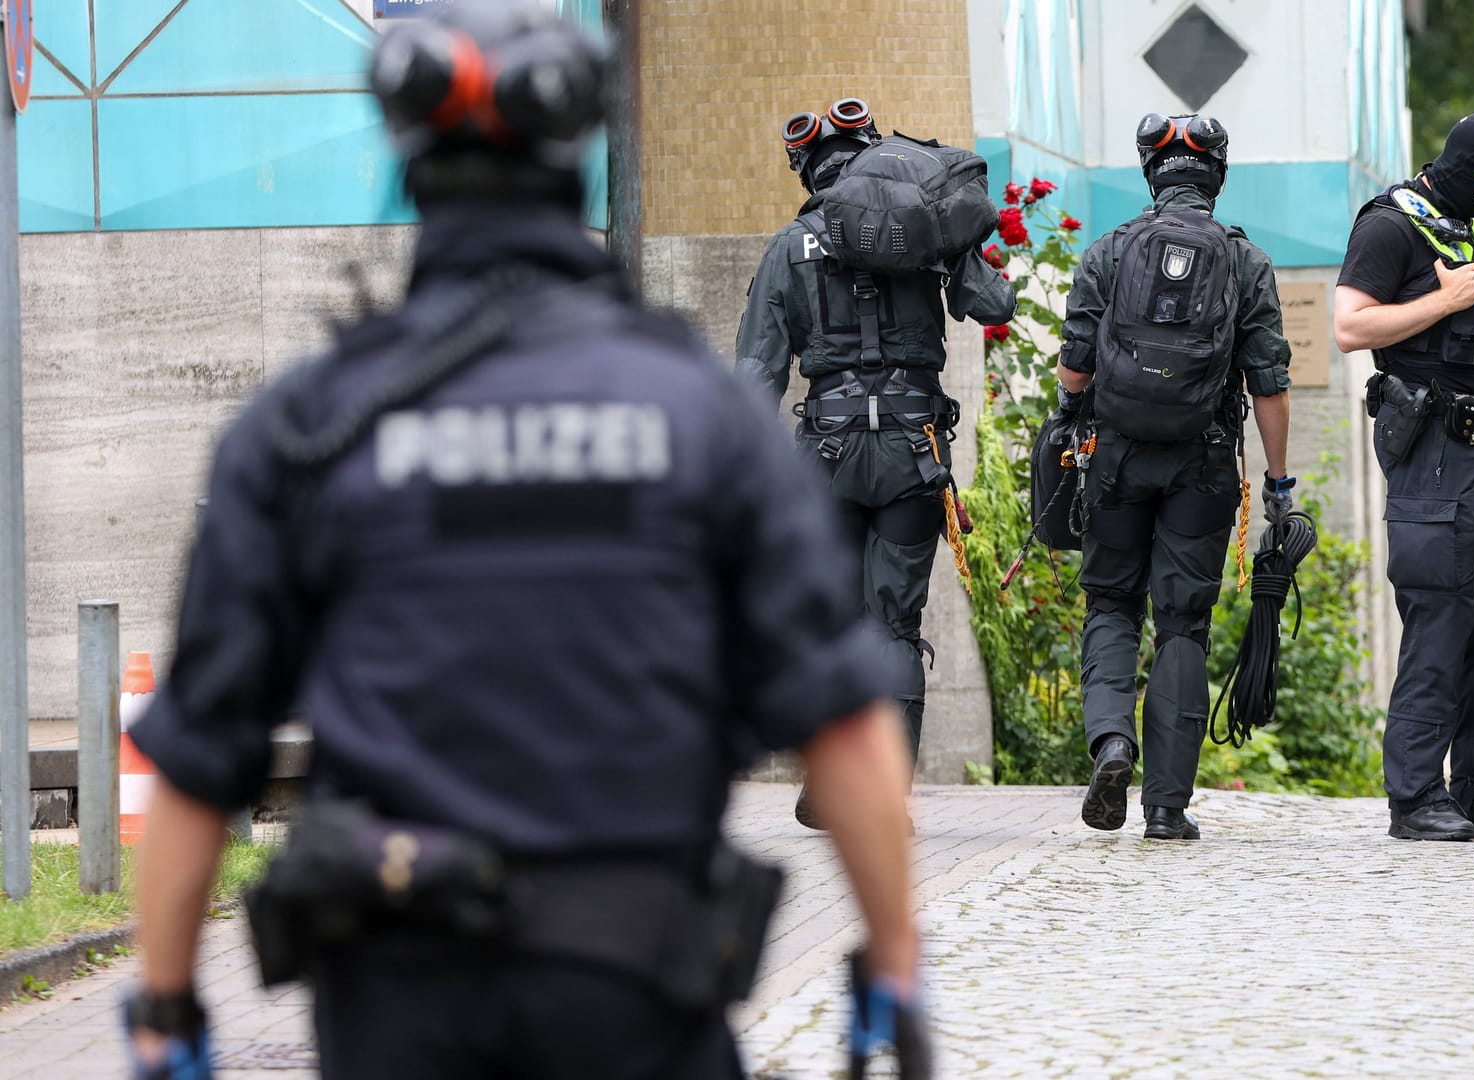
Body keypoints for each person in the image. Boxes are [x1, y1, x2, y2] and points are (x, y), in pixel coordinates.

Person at [123, 6, 926, 1078]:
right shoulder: (699, 417)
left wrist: (166, 1005)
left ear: (409, 149)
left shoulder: (309, 426)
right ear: (574, 152)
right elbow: (841, 720)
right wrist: (894, 971)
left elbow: (197, 750)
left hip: (394, 1006)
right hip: (639, 998)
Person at [737, 97, 1016, 826]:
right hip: (910, 449)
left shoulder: (786, 248)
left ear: (804, 166)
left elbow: (755, 377)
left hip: (824, 455)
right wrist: (964, 252)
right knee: (894, 622)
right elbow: (995, 306)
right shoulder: (924, 230)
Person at [1058, 112, 1292, 841]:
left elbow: (1074, 369)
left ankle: (1111, 744)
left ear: (1149, 175)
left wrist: (1077, 409)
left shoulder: (1108, 252)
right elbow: (1270, 386)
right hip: (1203, 462)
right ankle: (1166, 808)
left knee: (1110, 606)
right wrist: (1279, 488)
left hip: (1118, 459)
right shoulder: (1244, 261)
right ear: (1216, 177)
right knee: (1182, 624)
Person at [1332, 112, 1474, 840]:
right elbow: (1351, 327)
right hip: (1431, 444)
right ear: (1457, 167)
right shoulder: (1390, 224)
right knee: (1439, 616)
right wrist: (1443, 302)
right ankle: (1416, 795)